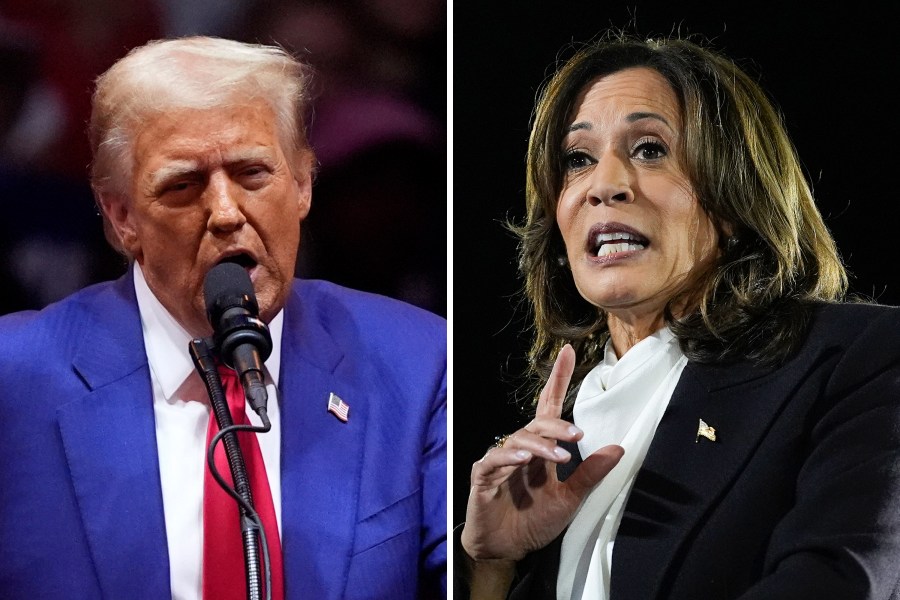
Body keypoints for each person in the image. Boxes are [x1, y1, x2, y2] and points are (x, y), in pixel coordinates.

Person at [457, 32, 900, 599]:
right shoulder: (551, 450)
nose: (605, 185)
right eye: (578, 159)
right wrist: (493, 565)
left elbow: (835, 582)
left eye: (649, 149)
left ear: (732, 193)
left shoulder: (855, 361)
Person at [0, 36, 446, 599]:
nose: (227, 213)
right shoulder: (13, 379)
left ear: (304, 184)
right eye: (182, 185)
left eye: (253, 173)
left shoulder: (421, 362)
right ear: (121, 218)